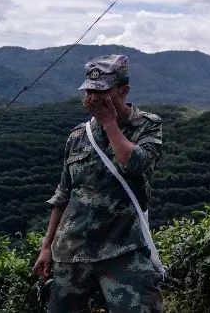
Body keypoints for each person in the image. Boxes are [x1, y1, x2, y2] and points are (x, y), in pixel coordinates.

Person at [33, 54, 165, 312]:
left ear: (123, 90)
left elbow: (136, 164)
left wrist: (109, 124)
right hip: (72, 250)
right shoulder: (78, 136)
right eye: (89, 91)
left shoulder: (147, 125)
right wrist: (46, 246)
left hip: (123, 249)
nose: (93, 98)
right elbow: (63, 193)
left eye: (101, 91)